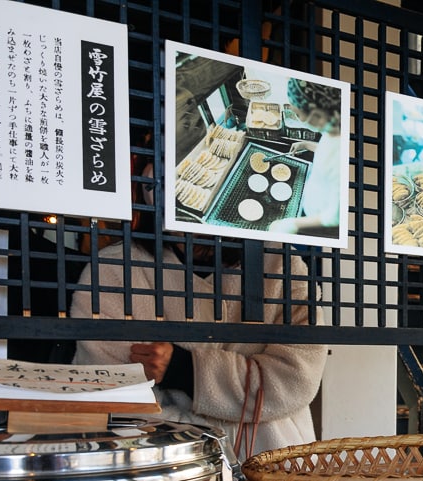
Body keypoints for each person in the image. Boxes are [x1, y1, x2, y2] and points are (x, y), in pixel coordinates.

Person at [69, 172, 327, 459]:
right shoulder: (114, 269)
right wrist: (243, 387)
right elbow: (108, 391)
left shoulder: (281, 262)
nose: (161, 196)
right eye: (149, 187)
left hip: (274, 467)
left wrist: (183, 369)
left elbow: (295, 380)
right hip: (164, 471)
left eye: (177, 177)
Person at [269, 78, 344, 239]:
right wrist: (307, 145)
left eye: (298, 114)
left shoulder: (339, 148)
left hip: (320, 225)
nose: (298, 118)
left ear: (316, 113)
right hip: (312, 203)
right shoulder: (333, 129)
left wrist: (290, 224)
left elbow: (334, 216)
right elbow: (328, 152)